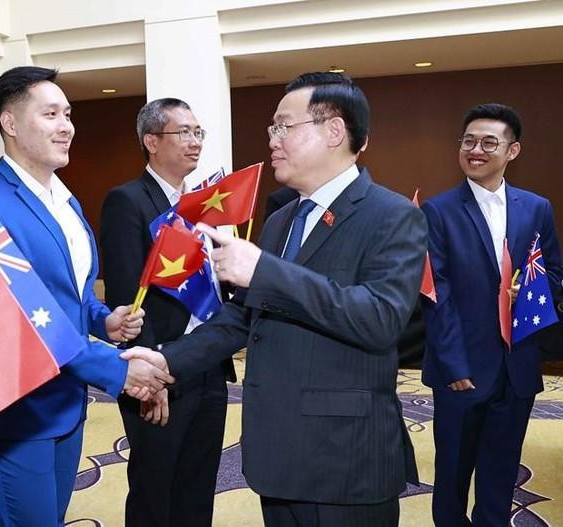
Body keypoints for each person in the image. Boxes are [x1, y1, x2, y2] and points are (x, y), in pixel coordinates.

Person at [124, 72, 427, 527]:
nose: (273, 140)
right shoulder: (282, 219)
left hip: (344, 459)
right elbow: (242, 317)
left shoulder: (393, 215)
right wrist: (168, 360)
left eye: (284, 126)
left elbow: (380, 318)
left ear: (334, 131)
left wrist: (265, 271)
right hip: (277, 452)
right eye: (272, 128)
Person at [0, 66, 171, 526]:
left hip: (68, 400)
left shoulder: (63, 200)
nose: (66, 125)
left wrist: (101, 319)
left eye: (67, 114)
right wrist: (116, 370)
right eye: (51, 114)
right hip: (19, 410)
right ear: (9, 124)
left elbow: (70, 290)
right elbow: (19, 315)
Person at [420, 103, 563, 526]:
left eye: (488, 142)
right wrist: (454, 366)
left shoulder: (536, 207)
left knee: (500, 475)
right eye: (468, 141)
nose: (475, 150)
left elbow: (553, 270)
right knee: (452, 476)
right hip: (462, 369)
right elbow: (435, 296)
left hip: (516, 365)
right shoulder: (438, 211)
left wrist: (533, 289)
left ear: (512, 151)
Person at [100, 98, 235, 526]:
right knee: (156, 489)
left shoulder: (199, 204)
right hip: (158, 371)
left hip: (206, 365)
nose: (195, 142)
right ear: (152, 141)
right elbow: (125, 294)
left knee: (198, 487)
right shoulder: (128, 201)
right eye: (185, 133)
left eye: (199, 133)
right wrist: (149, 377)